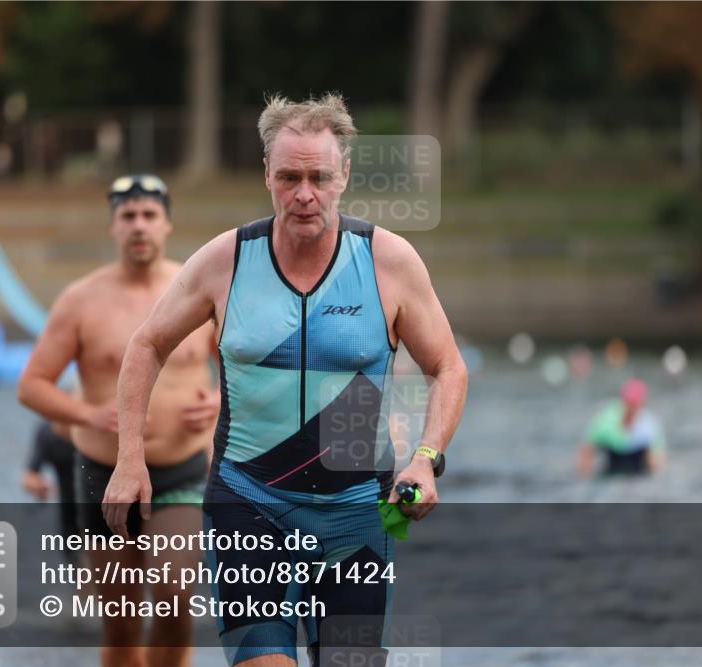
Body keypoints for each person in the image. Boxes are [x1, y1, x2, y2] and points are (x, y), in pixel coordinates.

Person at [103, 93, 469, 667]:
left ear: (343, 176)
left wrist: (426, 457)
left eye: (319, 177)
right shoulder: (227, 260)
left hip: (357, 511)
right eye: (290, 176)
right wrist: (131, 459)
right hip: (249, 502)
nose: (305, 194)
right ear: (267, 175)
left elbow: (447, 366)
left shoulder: (388, 262)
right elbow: (147, 344)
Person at [18, 174, 220, 667]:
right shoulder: (81, 300)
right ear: (113, 227)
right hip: (101, 475)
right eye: (128, 216)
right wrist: (86, 413)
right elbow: (32, 385)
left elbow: (246, 369)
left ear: (167, 224)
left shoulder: (198, 291)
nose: (139, 226)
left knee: (175, 598)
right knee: (122, 620)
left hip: (181, 468)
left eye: (149, 215)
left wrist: (218, 401)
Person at [577, 378, 667, 478]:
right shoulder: (607, 420)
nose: (632, 409)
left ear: (642, 404)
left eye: (635, 404)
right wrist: (585, 476)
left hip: (637, 468)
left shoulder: (649, 425)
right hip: (612, 465)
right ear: (623, 402)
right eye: (630, 404)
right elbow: (587, 451)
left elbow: (657, 462)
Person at [22, 419, 79, 559]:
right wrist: (44, 487)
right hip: (70, 512)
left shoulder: (101, 423)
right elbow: (29, 478)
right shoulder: (48, 431)